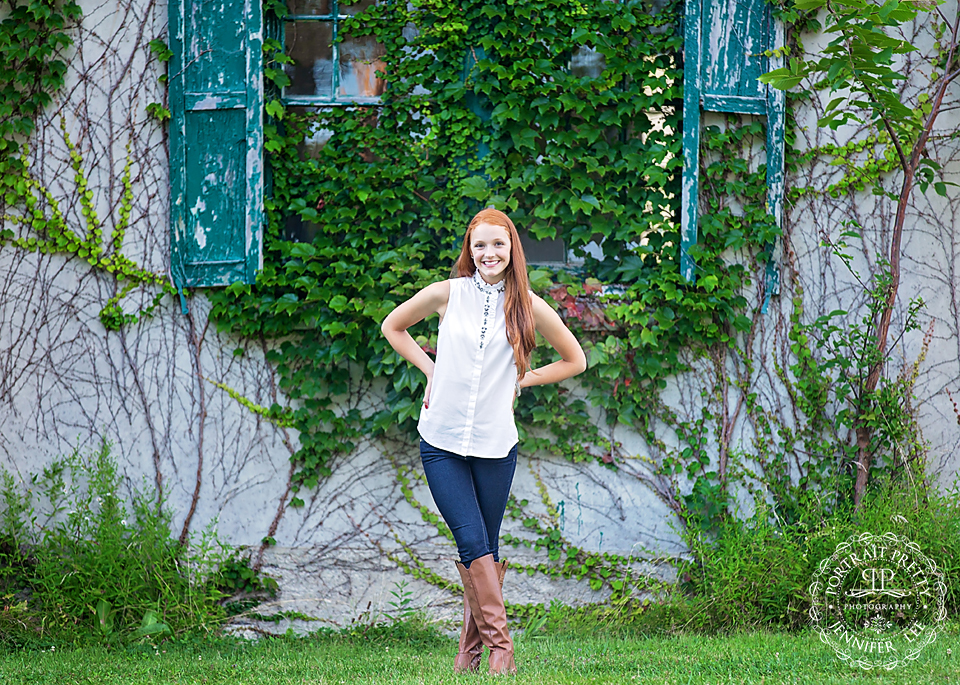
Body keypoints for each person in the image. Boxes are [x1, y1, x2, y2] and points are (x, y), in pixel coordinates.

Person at [381, 208, 587, 675]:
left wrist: (521, 380)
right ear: (468, 252)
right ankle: (502, 650)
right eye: (479, 246)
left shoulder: (530, 305)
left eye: (498, 244)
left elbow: (575, 360)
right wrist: (432, 368)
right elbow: (392, 327)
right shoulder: (445, 294)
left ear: (512, 248)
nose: (488, 253)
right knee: (472, 541)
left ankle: (468, 654)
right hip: (442, 439)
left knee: (486, 550)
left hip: (496, 445)